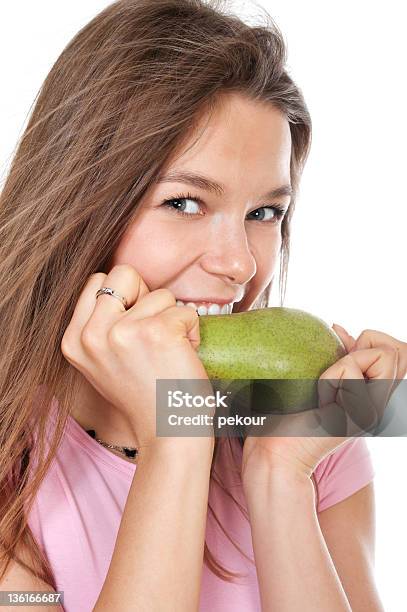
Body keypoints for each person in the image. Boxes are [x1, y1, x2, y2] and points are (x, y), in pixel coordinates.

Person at [1, 1, 405, 610]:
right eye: (185, 202)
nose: (240, 265)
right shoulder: (14, 465)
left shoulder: (311, 435)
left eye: (264, 213)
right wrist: (177, 436)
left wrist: (279, 479)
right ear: (78, 206)